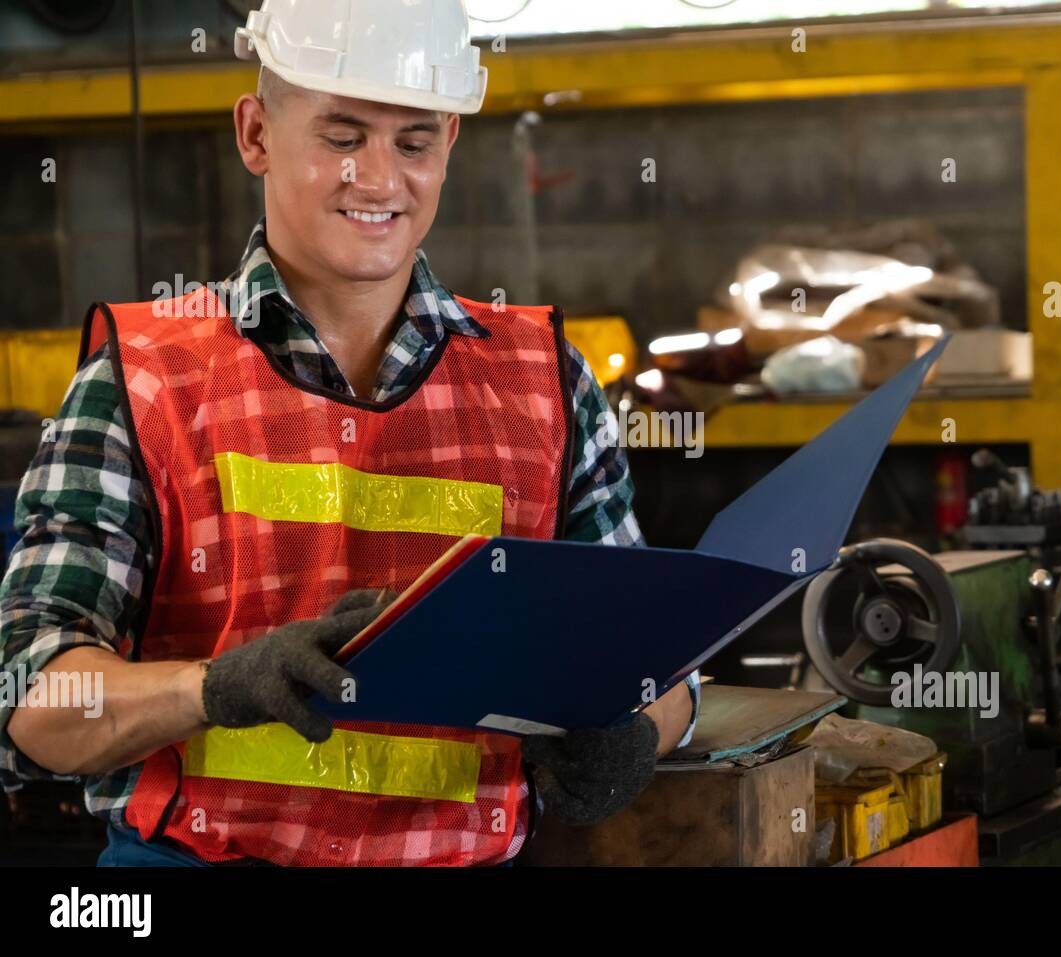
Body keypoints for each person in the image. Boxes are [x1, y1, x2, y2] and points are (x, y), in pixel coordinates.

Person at [0, 0, 698, 867]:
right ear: (256, 134)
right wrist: (210, 687)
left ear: (448, 142)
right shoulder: (143, 381)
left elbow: (660, 661)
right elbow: (29, 700)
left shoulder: (546, 382)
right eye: (341, 135)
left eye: (413, 141)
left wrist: (638, 729)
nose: (378, 179)